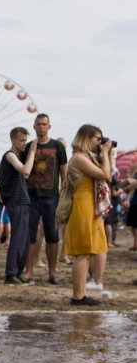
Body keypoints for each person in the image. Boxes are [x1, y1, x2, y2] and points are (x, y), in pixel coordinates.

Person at [63, 125, 113, 306]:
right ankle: (78, 296)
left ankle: (81, 293)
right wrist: (105, 154)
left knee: (88, 252)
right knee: (82, 253)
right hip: (84, 205)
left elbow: (108, 173)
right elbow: (105, 174)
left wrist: (107, 154)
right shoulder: (79, 158)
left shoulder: (88, 157)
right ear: (86, 138)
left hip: (90, 205)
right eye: (97, 139)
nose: (100, 142)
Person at [24, 113, 68, 284]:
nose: (41, 127)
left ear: (49, 126)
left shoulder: (57, 146)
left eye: (44, 124)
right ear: (34, 126)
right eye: (38, 124)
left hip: (52, 197)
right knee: (31, 235)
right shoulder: (29, 147)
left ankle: (52, 272)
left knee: (52, 235)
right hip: (32, 196)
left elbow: (64, 171)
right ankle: (29, 271)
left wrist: (64, 193)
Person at [0, 127, 36, 284]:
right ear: (13, 140)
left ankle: (18, 271)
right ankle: (11, 273)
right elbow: (26, 171)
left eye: (26, 141)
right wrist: (32, 152)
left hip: (22, 200)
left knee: (25, 238)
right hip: (15, 200)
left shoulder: (18, 156)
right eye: (21, 140)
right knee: (18, 237)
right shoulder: (10, 156)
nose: (24, 144)